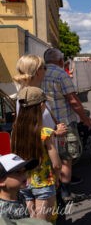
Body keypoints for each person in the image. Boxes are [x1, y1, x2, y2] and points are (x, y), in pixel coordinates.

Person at [42, 48, 91, 202]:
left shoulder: (39, 73)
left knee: (50, 156)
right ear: (60, 60)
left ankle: (55, 188)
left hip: (45, 123)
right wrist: (85, 118)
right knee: (67, 156)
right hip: (63, 122)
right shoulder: (61, 74)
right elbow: (73, 100)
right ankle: (65, 192)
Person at [11, 86, 62, 221]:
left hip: (24, 182)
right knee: (43, 222)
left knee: (31, 220)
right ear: (41, 106)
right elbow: (56, 164)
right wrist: (56, 178)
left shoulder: (15, 131)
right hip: (44, 183)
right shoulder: (45, 132)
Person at [0, 154, 38, 220]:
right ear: (1, 182)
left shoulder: (19, 195)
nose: (24, 175)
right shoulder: (2, 212)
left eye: (25, 171)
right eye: (18, 172)